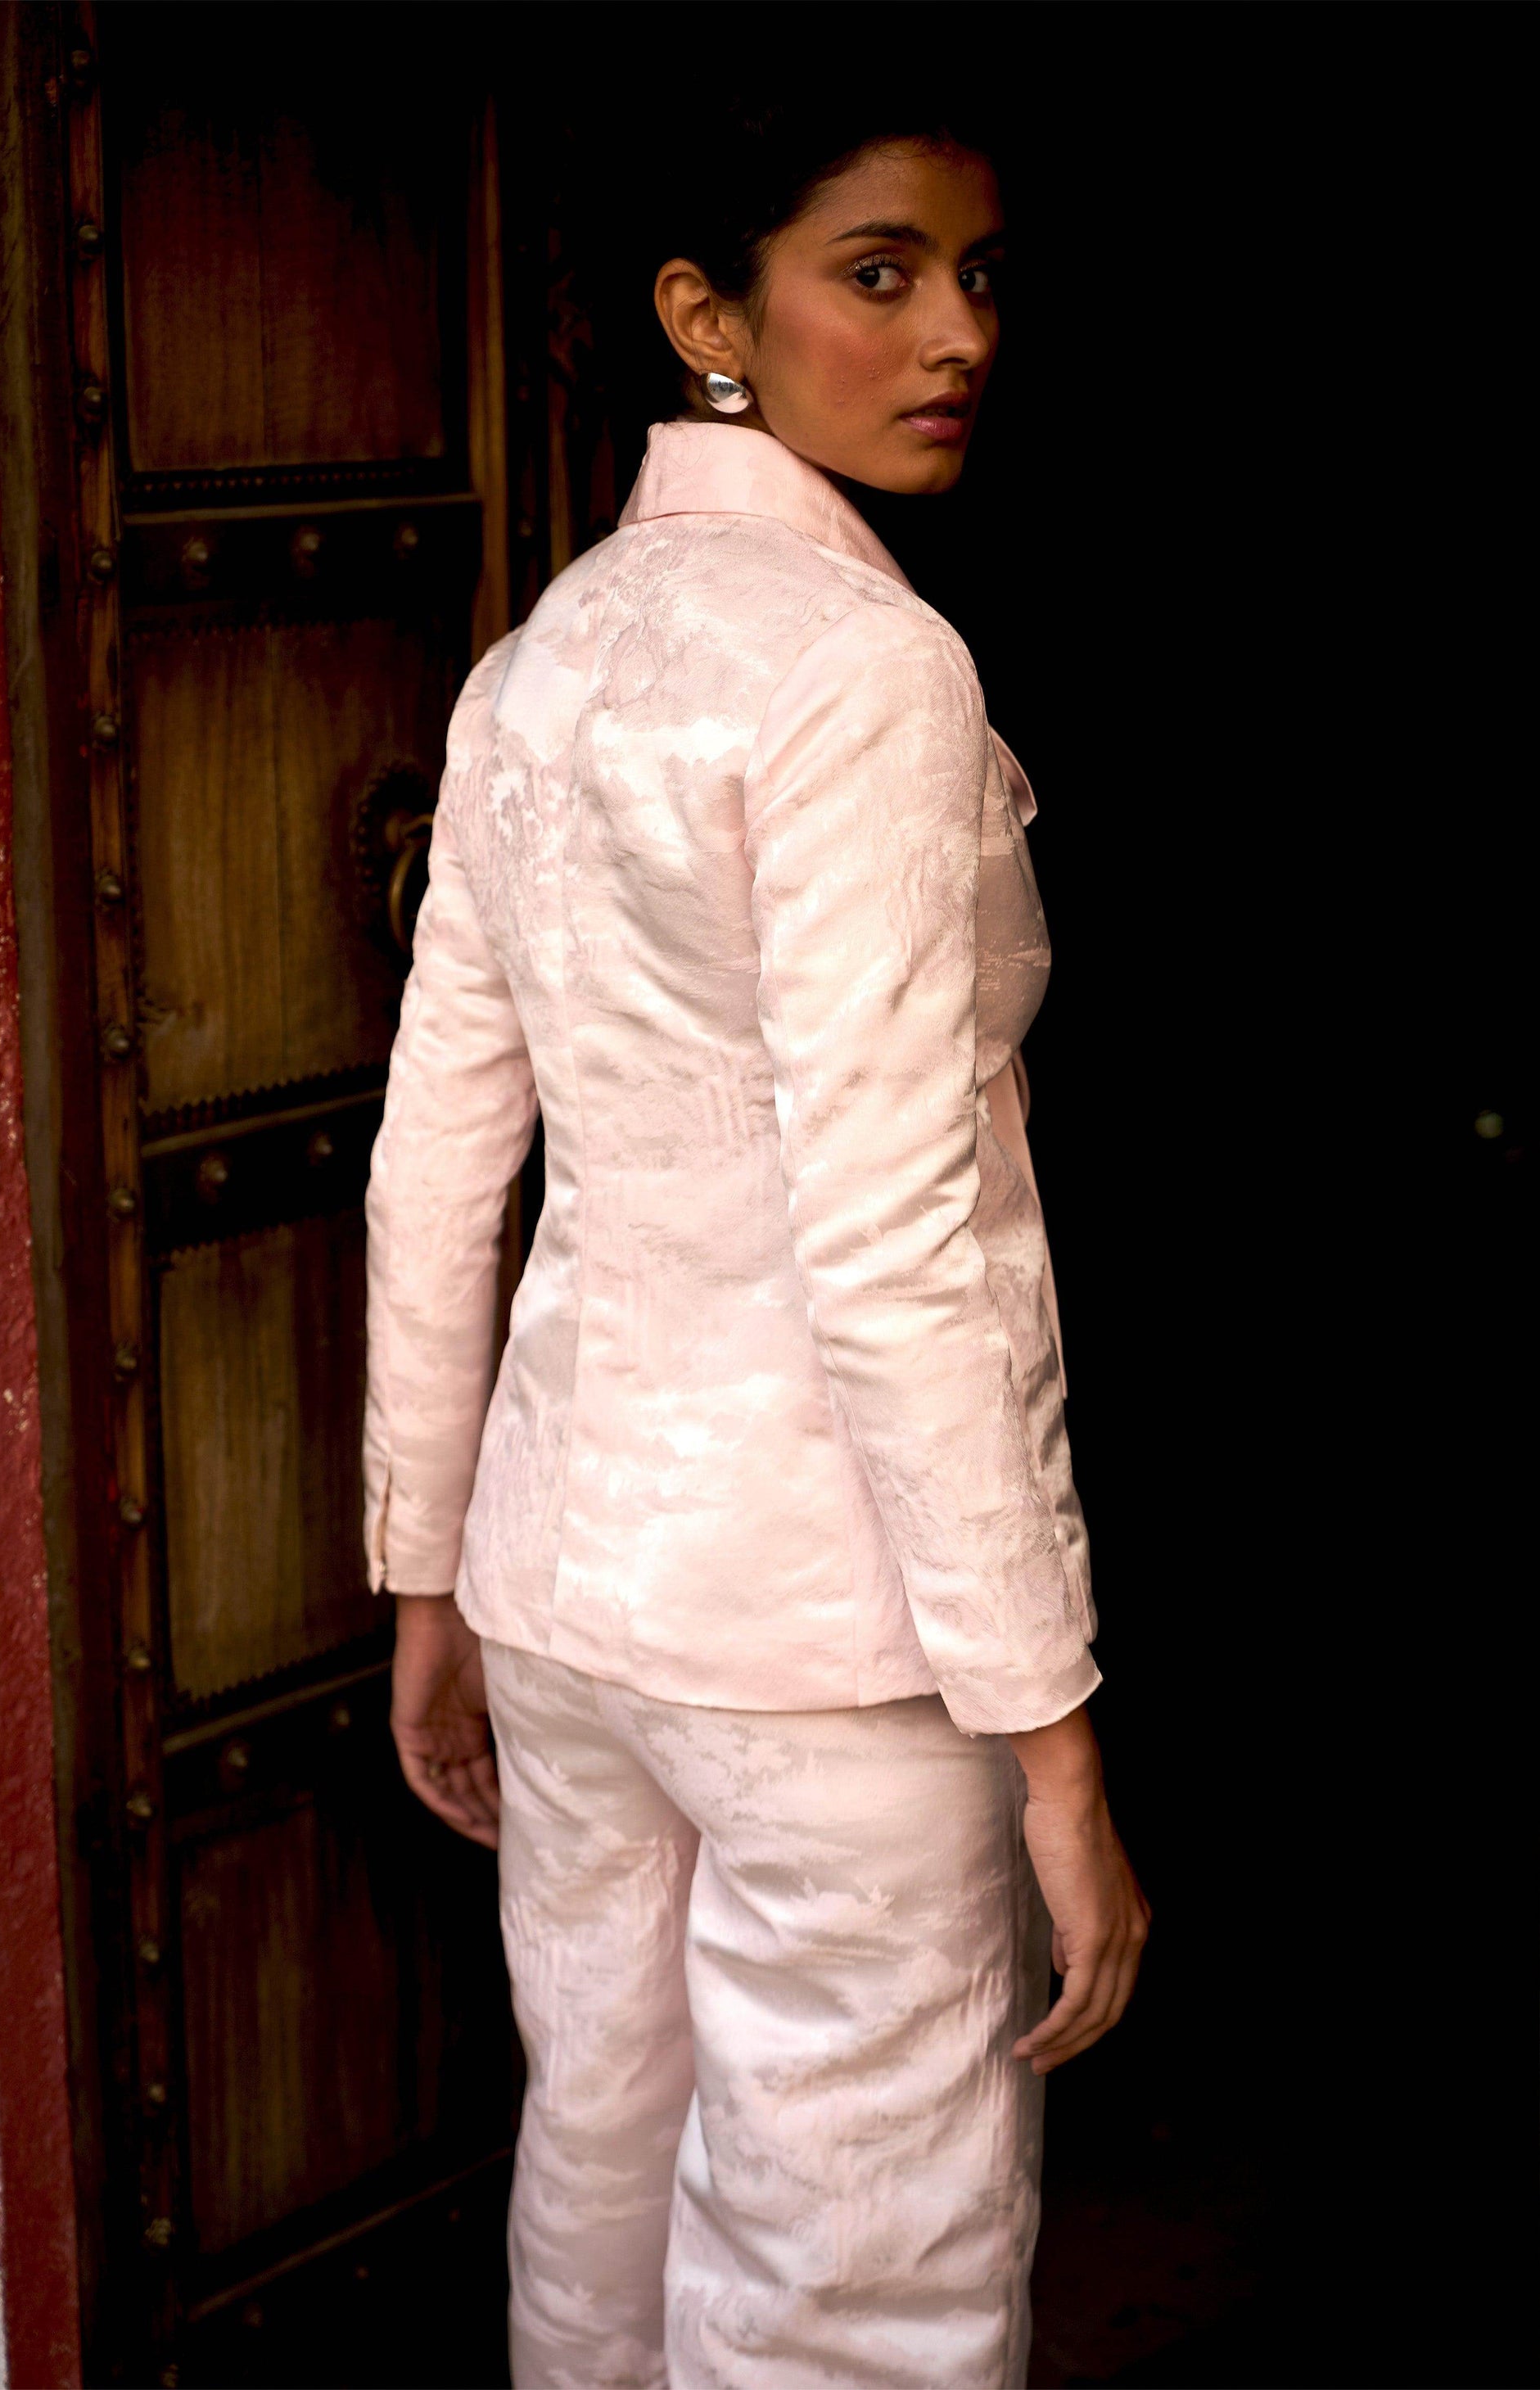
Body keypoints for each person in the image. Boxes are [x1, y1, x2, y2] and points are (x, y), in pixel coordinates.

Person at [364, 88, 1149, 2390]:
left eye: (978, 276)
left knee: (598, 2180)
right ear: (704, 317)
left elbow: (438, 1158)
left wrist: (429, 1576)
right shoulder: (864, 673)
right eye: (877, 274)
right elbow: (900, 1241)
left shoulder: (541, 664)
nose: (957, 334)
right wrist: (1053, 1743)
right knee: (857, 2294)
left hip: (567, 1594)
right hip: (830, 1635)